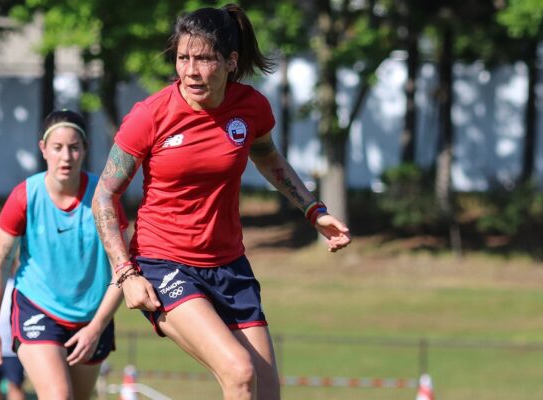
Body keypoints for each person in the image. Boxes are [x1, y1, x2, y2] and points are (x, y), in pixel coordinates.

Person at [91, 4, 352, 400]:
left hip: (230, 268)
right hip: (164, 265)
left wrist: (313, 211)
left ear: (230, 62)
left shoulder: (251, 109)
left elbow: (267, 156)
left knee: (265, 392)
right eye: (183, 58)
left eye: (204, 59)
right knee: (239, 372)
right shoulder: (150, 116)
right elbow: (104, 196)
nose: (191, 71)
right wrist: (127, 274)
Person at [0, 110, 128, 400]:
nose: (66, 157)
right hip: (38, 309)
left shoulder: (104, 198)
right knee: (59, 396)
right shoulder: (24, 196)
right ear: (43, 149)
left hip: (92, 317)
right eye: (58, 148)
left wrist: (96, 327)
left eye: (74, 148)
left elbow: (123, 271)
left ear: (85, 150)